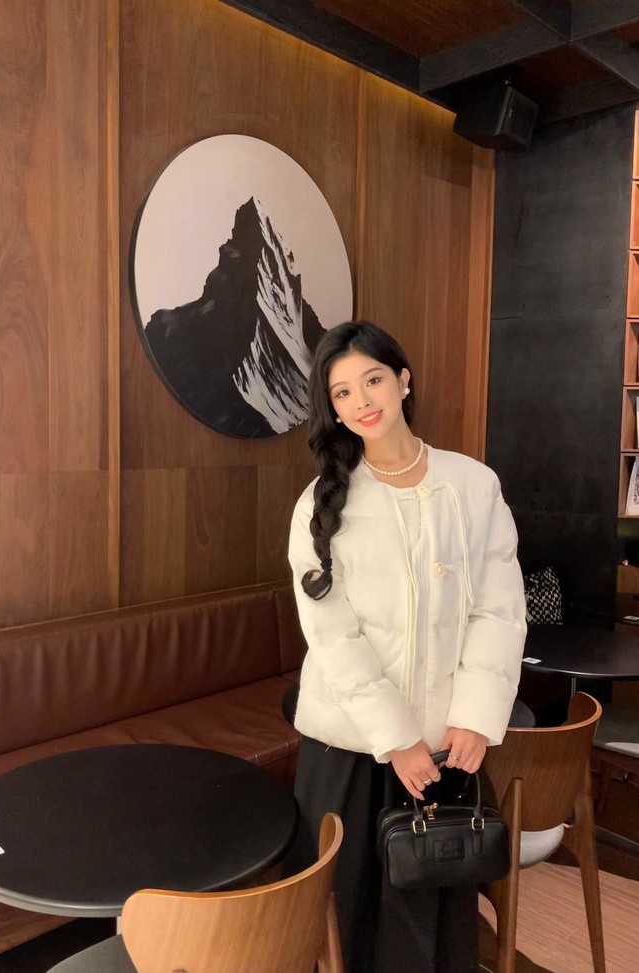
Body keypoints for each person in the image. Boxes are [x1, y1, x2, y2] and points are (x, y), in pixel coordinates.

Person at [287, 320, 526, 973]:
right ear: (332, 408)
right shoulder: (319, 505)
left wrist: (475, 716)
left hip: (448, 747)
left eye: (372, 379)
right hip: (350, 750)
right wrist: (395, 737)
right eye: (342, 392)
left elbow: (499, 609)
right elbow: (331, 636)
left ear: (402, 379)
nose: (361, 400)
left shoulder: (473, 485)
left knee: (434, 927)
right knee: (348, 922)